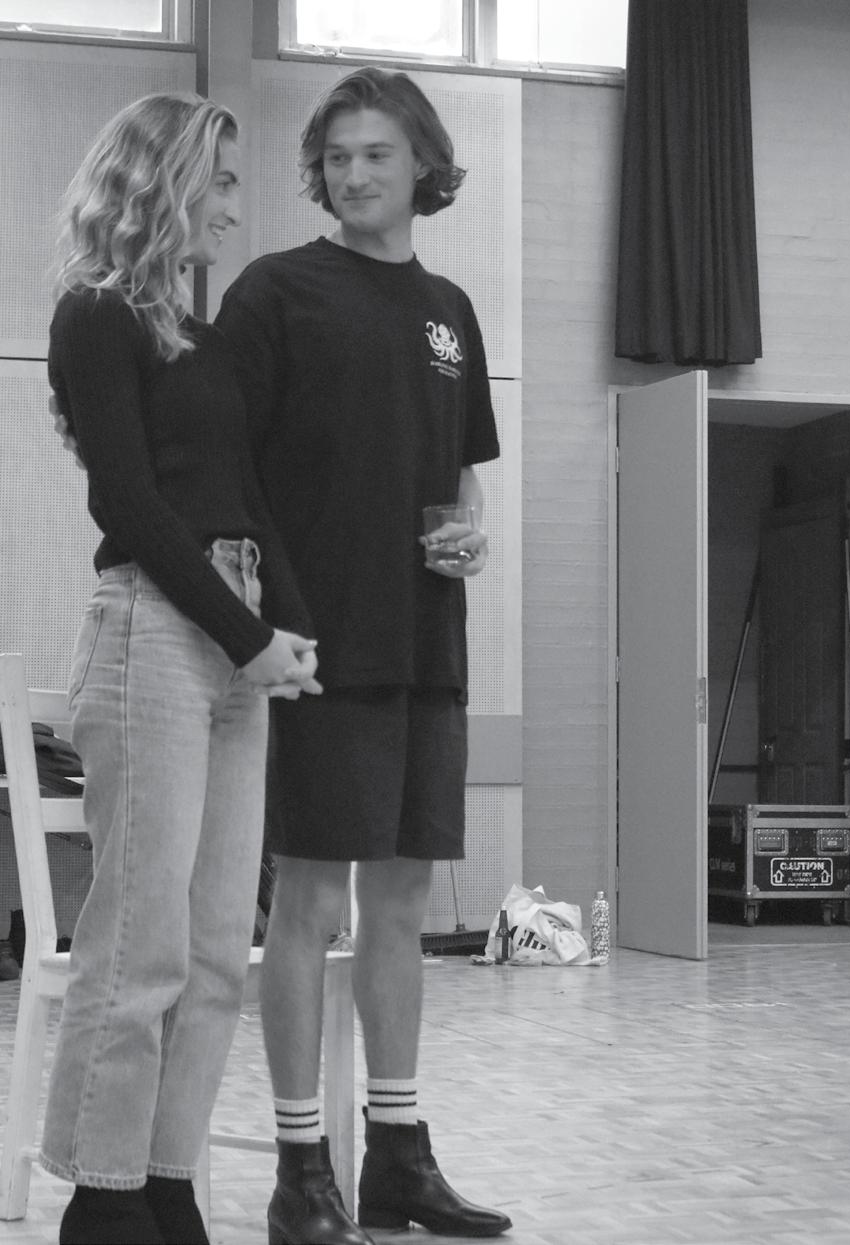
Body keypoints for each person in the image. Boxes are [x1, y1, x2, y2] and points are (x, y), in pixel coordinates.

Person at [215, 67, 512, 1243]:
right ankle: (302, 1169)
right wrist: (257, 619)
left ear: (422, 163)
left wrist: (474, 533)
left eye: (376, 154)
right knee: (307, 901)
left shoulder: (451, 312)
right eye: (337, 157)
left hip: (428, 646)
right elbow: (219, 462)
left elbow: (464, 476)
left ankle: (397, 1153)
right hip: (315, 650)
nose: (353, 174)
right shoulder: (276, 291)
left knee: (399, 906)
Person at [39, 92, 321, 1245]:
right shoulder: (95, 315)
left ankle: (165, 1182)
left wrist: (288, 632)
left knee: (214, 955)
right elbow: (129, 501)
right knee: (140, 945)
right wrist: (244, 635)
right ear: (166, 180)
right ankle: (101, 1199)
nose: (233, 210)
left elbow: (245, 499)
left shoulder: (203, 342)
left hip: (231, 640)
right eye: (223, 183)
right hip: (151, 630)